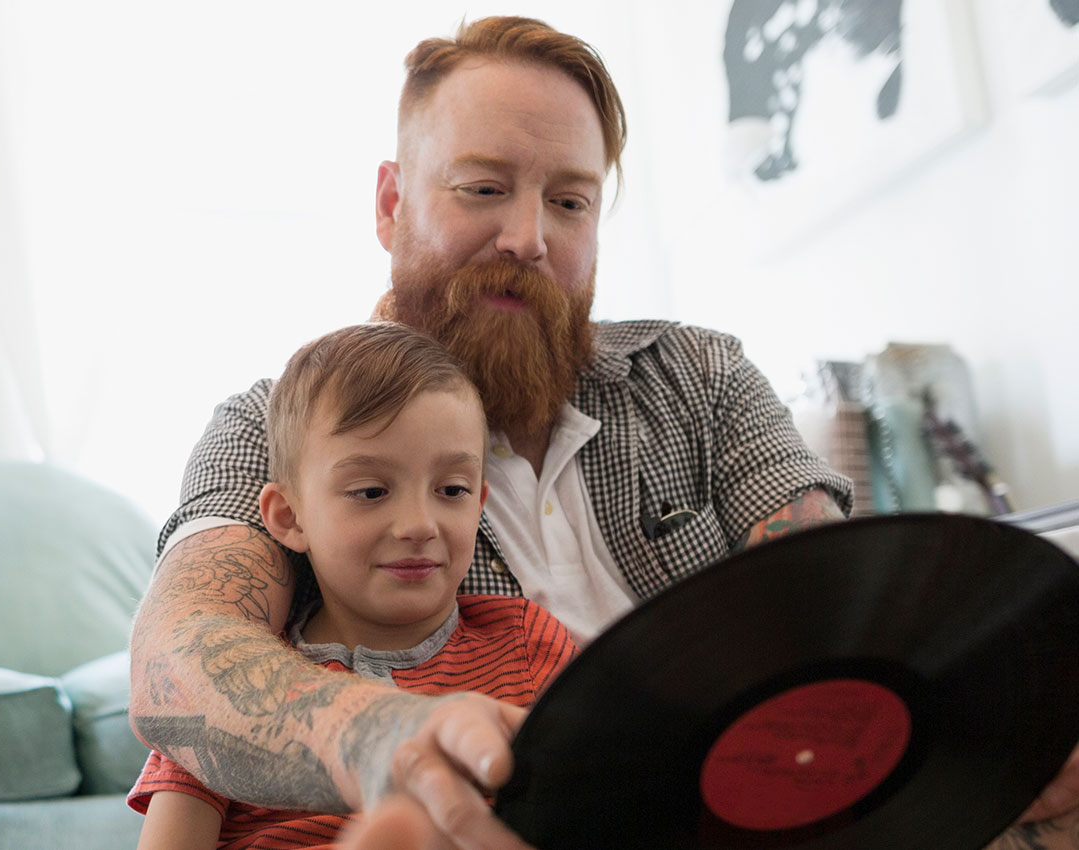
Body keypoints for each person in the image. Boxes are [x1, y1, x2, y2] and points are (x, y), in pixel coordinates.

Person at [126, 15, 1079, 850]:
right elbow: (177, 661)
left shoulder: (700, 376)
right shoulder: (282, 424)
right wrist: (378, 736)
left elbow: (836, 604)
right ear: (390, 203)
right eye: (481, 187)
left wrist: (995, 736)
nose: (527, 237)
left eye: (569, 200)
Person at [130, 323, 576, 850]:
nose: (418, 524)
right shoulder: (232, 693)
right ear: (290, 517)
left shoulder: (525, 642)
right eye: (370, 491)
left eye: (451, 490)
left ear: (479, 505)